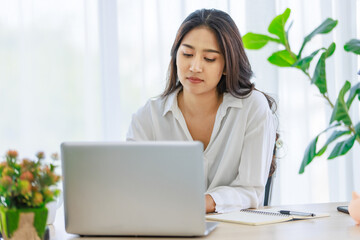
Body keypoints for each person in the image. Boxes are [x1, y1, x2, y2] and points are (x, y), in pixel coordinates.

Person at [126, 8, 277, 213]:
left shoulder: (252, 108)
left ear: (226, 65)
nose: (195, 66)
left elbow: (251, 191)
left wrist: (202, 202)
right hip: (166, 228)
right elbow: (132, 187)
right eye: (187, 54)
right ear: (175, 57)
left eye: (209, 58)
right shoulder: (148, 117)